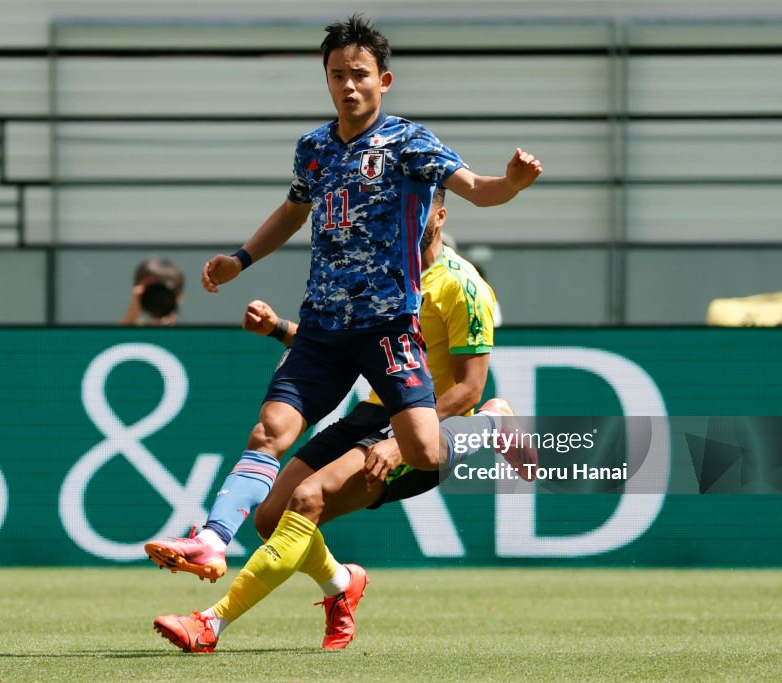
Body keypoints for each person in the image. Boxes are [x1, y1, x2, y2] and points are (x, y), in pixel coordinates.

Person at [147, 15, 542, 589]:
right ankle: (211, 539)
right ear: (326, 80)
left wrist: (512, 183)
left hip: (387, 325)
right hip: (323, 327)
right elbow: (291, 211)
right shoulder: (313, 149)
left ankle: (488, 426)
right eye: (337, 76)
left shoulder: (410, 141)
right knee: (269, 433)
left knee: (425, 451)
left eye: (359, 75)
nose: (348, 86)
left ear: (384, 80)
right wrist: (241, 258)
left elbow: (478, 188)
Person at [148, 189, 537, 652]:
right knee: (272, 519)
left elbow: (468, 389)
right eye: (400, 204)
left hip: (423, 426)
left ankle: (211, 624)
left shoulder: (461, 286)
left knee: (307, 499)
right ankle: (340, 584)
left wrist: (399, 444)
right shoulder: (380, 276)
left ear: (440, 215)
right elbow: (341, 352)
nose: (405, 214)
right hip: (374, 411)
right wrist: (280, 329)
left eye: (419, 205)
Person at [120, 257, 185, 327]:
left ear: (179, 296)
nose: (157, 297)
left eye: (162, 291)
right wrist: (131, 315)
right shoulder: (134, 330)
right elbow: (117, 337)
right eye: (151, 289)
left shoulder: (190, 333)